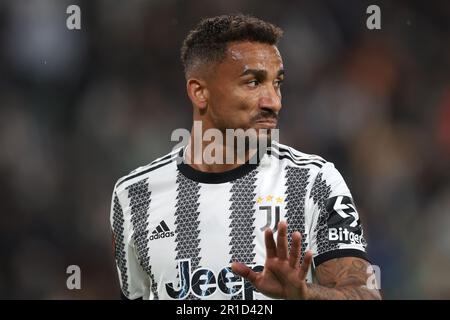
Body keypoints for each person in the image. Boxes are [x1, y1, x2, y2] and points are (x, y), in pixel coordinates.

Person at [110, 14, 381, 300]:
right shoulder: (134, 195)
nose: (273, 102)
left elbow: (366, 295)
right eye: (253, 82)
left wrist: (305, 294)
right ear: (200, 92)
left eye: (277, 83)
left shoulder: (314, 183)